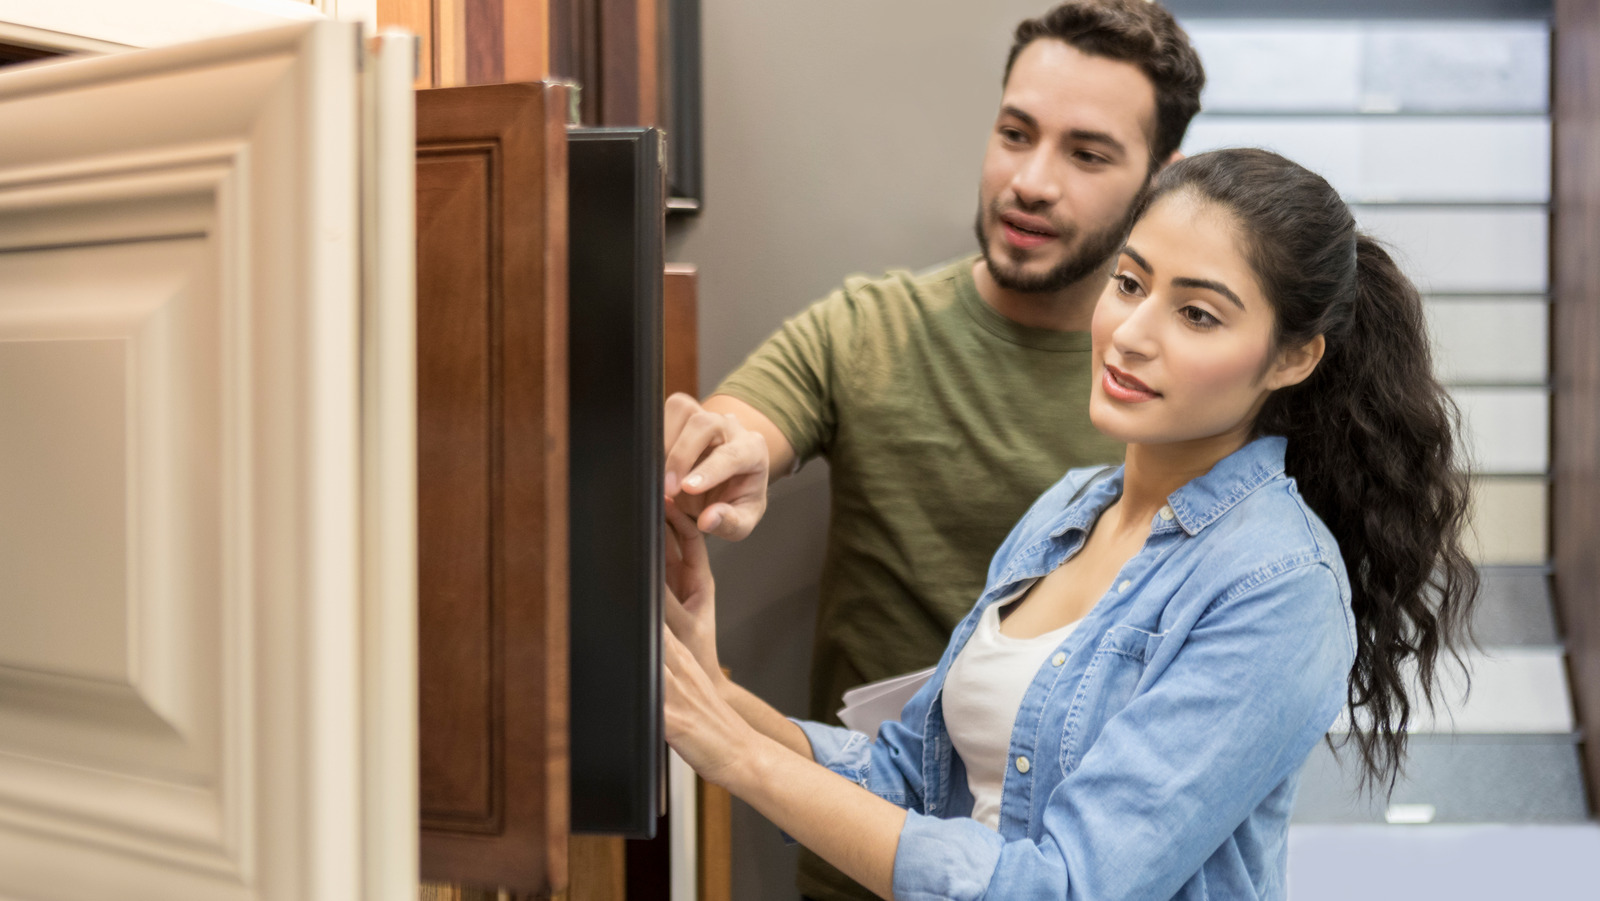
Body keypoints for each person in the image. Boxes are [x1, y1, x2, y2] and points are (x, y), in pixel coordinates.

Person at [659, 147, 1479, 900]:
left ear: (1293, 357)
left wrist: (740, 757)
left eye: (1197, 314)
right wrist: (718, 694)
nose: (1129, 333)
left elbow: (1068, 885)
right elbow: (906, 777)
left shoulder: (1280, 585)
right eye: (1129, 282)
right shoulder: (1068, 510)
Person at [664, 9, 1203, 893]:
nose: (1031, 181)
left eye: (1087, 153)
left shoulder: (1184, 392)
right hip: (858, 849)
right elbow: (744, 424)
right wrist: (721, 455)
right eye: (1015, 133)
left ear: (1161, 180)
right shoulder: (870, 328)